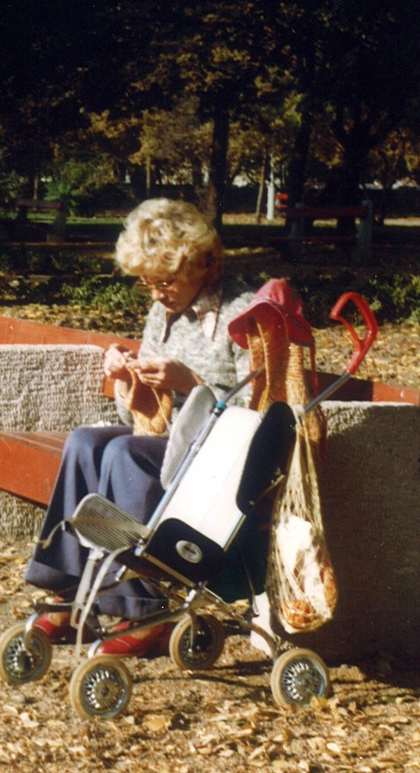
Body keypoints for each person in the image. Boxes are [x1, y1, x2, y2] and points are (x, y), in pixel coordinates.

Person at [22, 198, 256, 656]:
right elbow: (142, 416)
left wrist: (191, 381)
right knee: (85, 441)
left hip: (220, 452)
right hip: (170, 439)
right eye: (147, 284)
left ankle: (145, 607)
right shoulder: (163, 312)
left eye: (165, 281)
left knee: (123, 454)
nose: (155, 294)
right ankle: (67, 590)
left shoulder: (241, 312)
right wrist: (127, 372)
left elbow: (262, 411)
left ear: (201, 265)